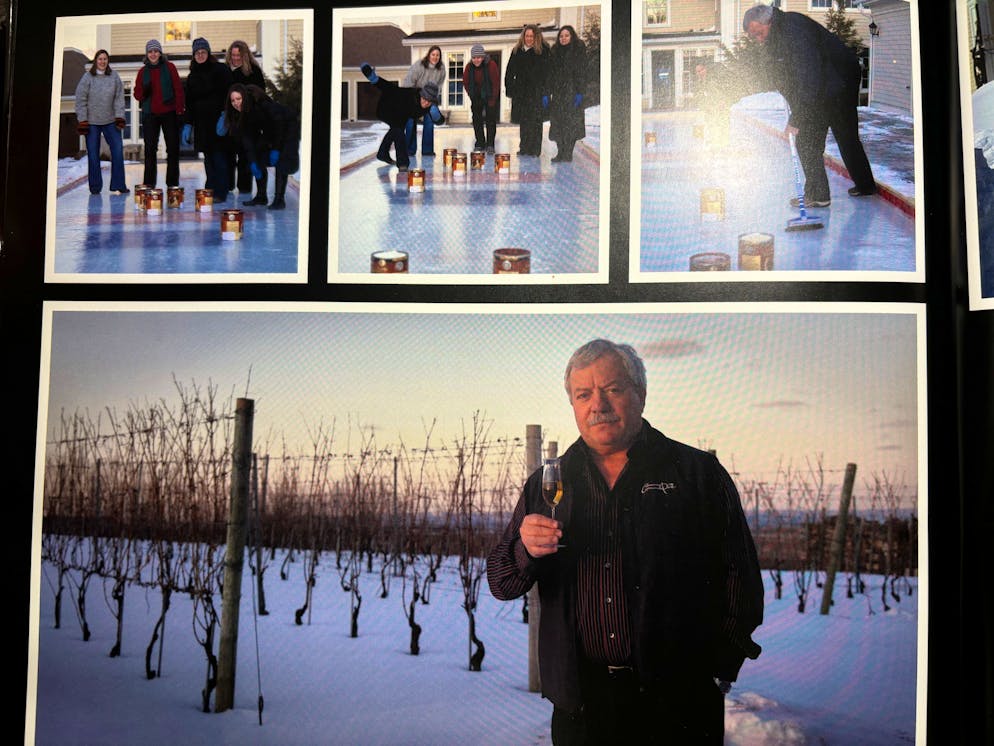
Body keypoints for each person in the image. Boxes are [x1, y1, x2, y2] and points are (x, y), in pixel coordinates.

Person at [487, 339, 764, 745]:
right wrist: (525, 550)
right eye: (583, 394)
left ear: (641, 395)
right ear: (574, 405)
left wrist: (719, 666)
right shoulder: (549, 484)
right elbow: (501, 582)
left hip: (679, 702)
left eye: (612, 389)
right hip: (581, 705)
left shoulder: (697, 474)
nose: (597, 404)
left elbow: (740, 576)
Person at [742, 4, 876, 208]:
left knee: (816, 138)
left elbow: (808, 74)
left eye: (759, 33)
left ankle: (820, 194)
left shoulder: (793, 29)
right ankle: (862, 186)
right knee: (833, 136)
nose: (759, 39)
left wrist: (797, 117)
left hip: (835, 81)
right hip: (825, 82)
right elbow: (786, 76)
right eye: (754, 37)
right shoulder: (776, 36)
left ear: (768, 22)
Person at [217, 83, 299, 210]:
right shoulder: (242, 114)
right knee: (258, 153)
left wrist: (276, 149)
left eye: (238, 99)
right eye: (233, 100)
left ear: (244, 96)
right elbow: (248, 141)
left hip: (287, 126)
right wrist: (253, 161)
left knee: (282, 159)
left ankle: (279, 200)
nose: (236, 103)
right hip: (270, 130)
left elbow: (279, 124)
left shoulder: (261, 104)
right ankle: (261, 197)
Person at [360, 62, 445, 173]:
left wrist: (437, 117)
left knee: (395, 130)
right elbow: (389, 88)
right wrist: (373, 78)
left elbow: (439, 121)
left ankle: (382, 153)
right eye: (424, 98)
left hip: (401, 115)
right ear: (421, 95)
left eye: (429, 101)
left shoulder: (430, 107)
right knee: (398, 132)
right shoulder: (409, 95)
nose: (425, 102)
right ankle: (403, 163)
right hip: (387, 108)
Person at [183, 38, 232, 201]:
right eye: (197, 53)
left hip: (218, 121)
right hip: (202, 124)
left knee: (219, 157)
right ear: (194, 55)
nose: (200, 55)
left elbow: (230, 93)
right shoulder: (192, 76)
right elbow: (189, 102)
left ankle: (221, 191)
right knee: (208, 158)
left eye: (203, 52)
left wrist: (226, 115)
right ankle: (210, 187)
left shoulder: (221, 70)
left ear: (208, 53)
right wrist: (188, 124)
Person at [74, 49, 129, 195]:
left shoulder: (114, 76)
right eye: (100, 59)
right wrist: (83, 120)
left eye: (105, 59)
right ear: (95, 61)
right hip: (91, 122)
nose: (103, 62)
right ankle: (95, 187)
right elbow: (80, 99)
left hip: (111, 120)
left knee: (117, 150)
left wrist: (119, 116)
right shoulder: (87, 78)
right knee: (93, 155)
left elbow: (119, 98)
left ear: (107, 61)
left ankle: (119, 184)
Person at [133, 40, 185, 188]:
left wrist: (180, 110)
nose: (153, 54)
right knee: (150, 150)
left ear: (160, 53)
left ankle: (172, 183)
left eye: (156, 51)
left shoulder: (170, 67)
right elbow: (137, 94)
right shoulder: (143, 72)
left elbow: (178, 90)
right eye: (150, 51)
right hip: (150, 114)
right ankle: (149, 184)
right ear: (147, 54)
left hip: (169, 112)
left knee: (173, 149)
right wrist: (145, 91)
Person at [225, 41, 266, 196]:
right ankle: (228, 185)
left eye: (239, 55)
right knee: (229, 152)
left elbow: (260, 93)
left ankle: (244, 187)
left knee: (245, 153)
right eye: (233, 55)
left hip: (248, 118)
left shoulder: (253, 71)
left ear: (245, 55)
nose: (236, 58)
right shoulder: (226, 70)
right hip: (231, 117)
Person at [504, 24, 550, 157]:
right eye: (527, 36)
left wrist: (546, 92)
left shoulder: (543, 51)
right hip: (521, 93)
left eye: (532, 36)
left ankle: (535, 150)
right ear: (523, 36)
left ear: (536, 37)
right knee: (524, 122)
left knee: (535, 122)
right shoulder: (517, 51)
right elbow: (509, 72)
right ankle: (524, 148)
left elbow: (548, 73)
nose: (529, 38)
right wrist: (510, 89)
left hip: (537, 93)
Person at [545, 26, 586, 163]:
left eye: (566, 35)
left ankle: (567, 153)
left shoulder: (578, 51)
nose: (563, 38)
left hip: (572, 92)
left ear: (572, 36)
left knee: (571, 125)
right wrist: (547, 93)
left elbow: (582, 72)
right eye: (561, 36)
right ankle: (560, 152)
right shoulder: (554, 52)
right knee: (558, 124)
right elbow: (549, 74)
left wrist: (580, 92)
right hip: (558, 94)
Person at [402, 46, 446, 157]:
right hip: (414, 97)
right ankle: (409, 150)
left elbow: (439, 86)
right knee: (410, 122)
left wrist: (432, 99)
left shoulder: (441, 69)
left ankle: (427, 150)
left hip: (429, 98)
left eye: (437, 55)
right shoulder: (419, 66)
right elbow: (409, 82)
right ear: (429, 55)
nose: (435, 57)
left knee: (430, 120)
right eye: (433, 54)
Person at [462, 44, 500, 153]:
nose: (476, 60)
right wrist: (471, 94)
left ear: (483, 57)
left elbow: (496, 83)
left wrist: (493, 99)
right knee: (477, 120)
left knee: (490, 120)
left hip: (489, 94)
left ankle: (490, 144)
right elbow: (466, 82)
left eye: (478, 57)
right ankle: (480, 142)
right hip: (476, 96)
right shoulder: (469, 67)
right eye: (474, 58)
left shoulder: (491, 65)